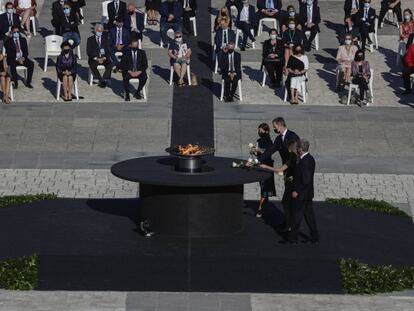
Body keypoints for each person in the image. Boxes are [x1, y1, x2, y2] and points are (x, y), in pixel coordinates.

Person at [260, 139, 298, 232]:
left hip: (291, 184)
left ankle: (289, 225)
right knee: (289, 205)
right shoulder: (298, 156)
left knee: (286, 204)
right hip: (293, 182)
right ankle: (288, 223)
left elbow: (279, 170)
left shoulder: (293, 157)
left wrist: (266, 167)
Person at [287, 139, 319, 244]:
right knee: (309, 215)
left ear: (300, 149)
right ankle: (314, 236)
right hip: (308, 193)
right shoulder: (309, 158)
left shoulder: (305, 161)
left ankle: (293, 237)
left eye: (297, 147)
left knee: (296, 215)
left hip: (302, 194)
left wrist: (297, 191)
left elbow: (306, 179)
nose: (296, 149)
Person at [253, 123, 276, 218]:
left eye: (261, 130)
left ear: (266, 131)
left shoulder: (270, 142)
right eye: (259, 130)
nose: (259, 132)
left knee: (265, 187)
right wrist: (254, 151)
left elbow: (268, 153)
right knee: (263, 186)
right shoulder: (258, 140)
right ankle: (264, 205)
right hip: (259, 166)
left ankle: (260, 208)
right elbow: (257, 153)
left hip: (267, 167)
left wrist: (259, 150)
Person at [86, 24, 112, 88]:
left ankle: (104, 79)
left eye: (101, 31)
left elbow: (108, 51)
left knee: (110, 64)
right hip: (94, 59)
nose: (99, 32)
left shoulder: (105, 39)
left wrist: (104, 58)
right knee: (93, 66)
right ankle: (101, 80)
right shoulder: (90, 39)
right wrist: (96, 58)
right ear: (95, 31)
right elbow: (89, 51)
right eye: (98, 31)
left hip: (104, 58)